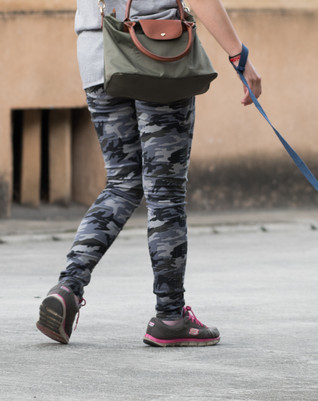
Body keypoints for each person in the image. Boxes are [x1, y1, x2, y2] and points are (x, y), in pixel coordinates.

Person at [35, 0, 262, 347]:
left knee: (122, 184)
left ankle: (68, 287)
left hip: (98, 55)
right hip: (156, 53)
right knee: (165, 192)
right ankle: (170, 316)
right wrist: (238, 56)